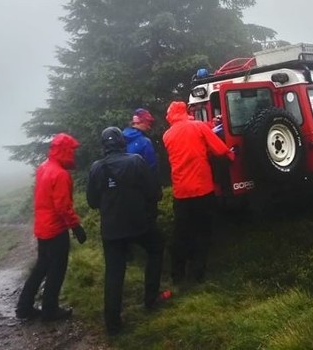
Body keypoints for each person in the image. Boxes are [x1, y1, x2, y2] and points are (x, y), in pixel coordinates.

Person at [87, 126, 169, 336]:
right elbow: (153, 192)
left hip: (112, 230)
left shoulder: (96, 168)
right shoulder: (135, 161)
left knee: (114, 272)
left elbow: (92, 201)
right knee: (156, 247)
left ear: (104, 145)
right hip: (138, 224)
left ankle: (113, 325)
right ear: (122, 142)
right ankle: (151, 299)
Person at [16, 133, 87, 322]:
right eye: (71, 150)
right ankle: (50, 310)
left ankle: (24, 307)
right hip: (56, 230)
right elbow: (62, 206)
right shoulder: (60, 174)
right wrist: (76, 227)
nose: (73, 154)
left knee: (41, 267)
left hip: (42, 227)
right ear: (64, 150)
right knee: (57, 270)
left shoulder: (43, 168)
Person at [163, 101, 234, 284]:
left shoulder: (167, 135)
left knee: (181, 234)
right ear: (186, 112)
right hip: (203, 190)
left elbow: (190, 134)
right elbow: (218, 149)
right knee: (203, 232)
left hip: (181, 193)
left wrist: (211, 123)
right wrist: (231, 154)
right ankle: (197, 274)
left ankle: (177, 275)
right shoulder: (198, 127)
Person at [123, 108, 158, 172]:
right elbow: (152, 167)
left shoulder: (120, 137)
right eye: (147, 123)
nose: (149, 127)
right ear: (139, 122)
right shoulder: (145, 142)